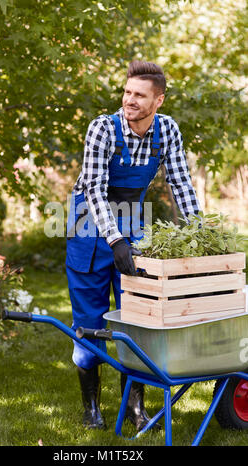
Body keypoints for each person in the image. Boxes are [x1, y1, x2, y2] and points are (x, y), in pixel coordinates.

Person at [65, 60, 201, 431]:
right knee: (89, 322)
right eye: (127, 92)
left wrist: (199, 234)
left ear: (158, 100)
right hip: (88, 227)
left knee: (138, 320)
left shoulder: (167, 130)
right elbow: (93, 188)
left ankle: (134, 408)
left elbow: (181, 183)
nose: (130, 100)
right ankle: (91, 407)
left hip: (133, 223)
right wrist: (115, 239)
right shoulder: (102, 129)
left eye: (139, 95)